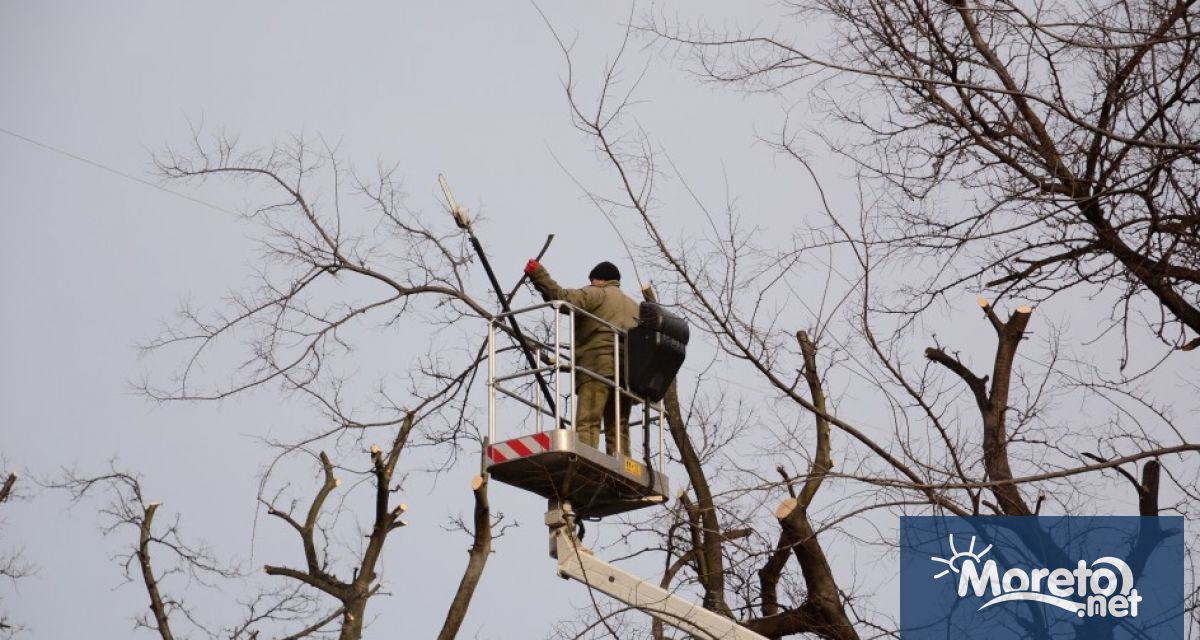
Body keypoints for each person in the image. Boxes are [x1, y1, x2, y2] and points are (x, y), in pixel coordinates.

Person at [525, 259, 639, 456]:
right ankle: (623, 467)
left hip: (597, 367)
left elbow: (562, 298)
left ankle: (586, 459)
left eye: (592, 280)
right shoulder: (635, 307)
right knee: (619, 427)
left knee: (588, 420)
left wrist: (538, 274)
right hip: (626, 375)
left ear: (599, 280)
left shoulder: (598, 293)